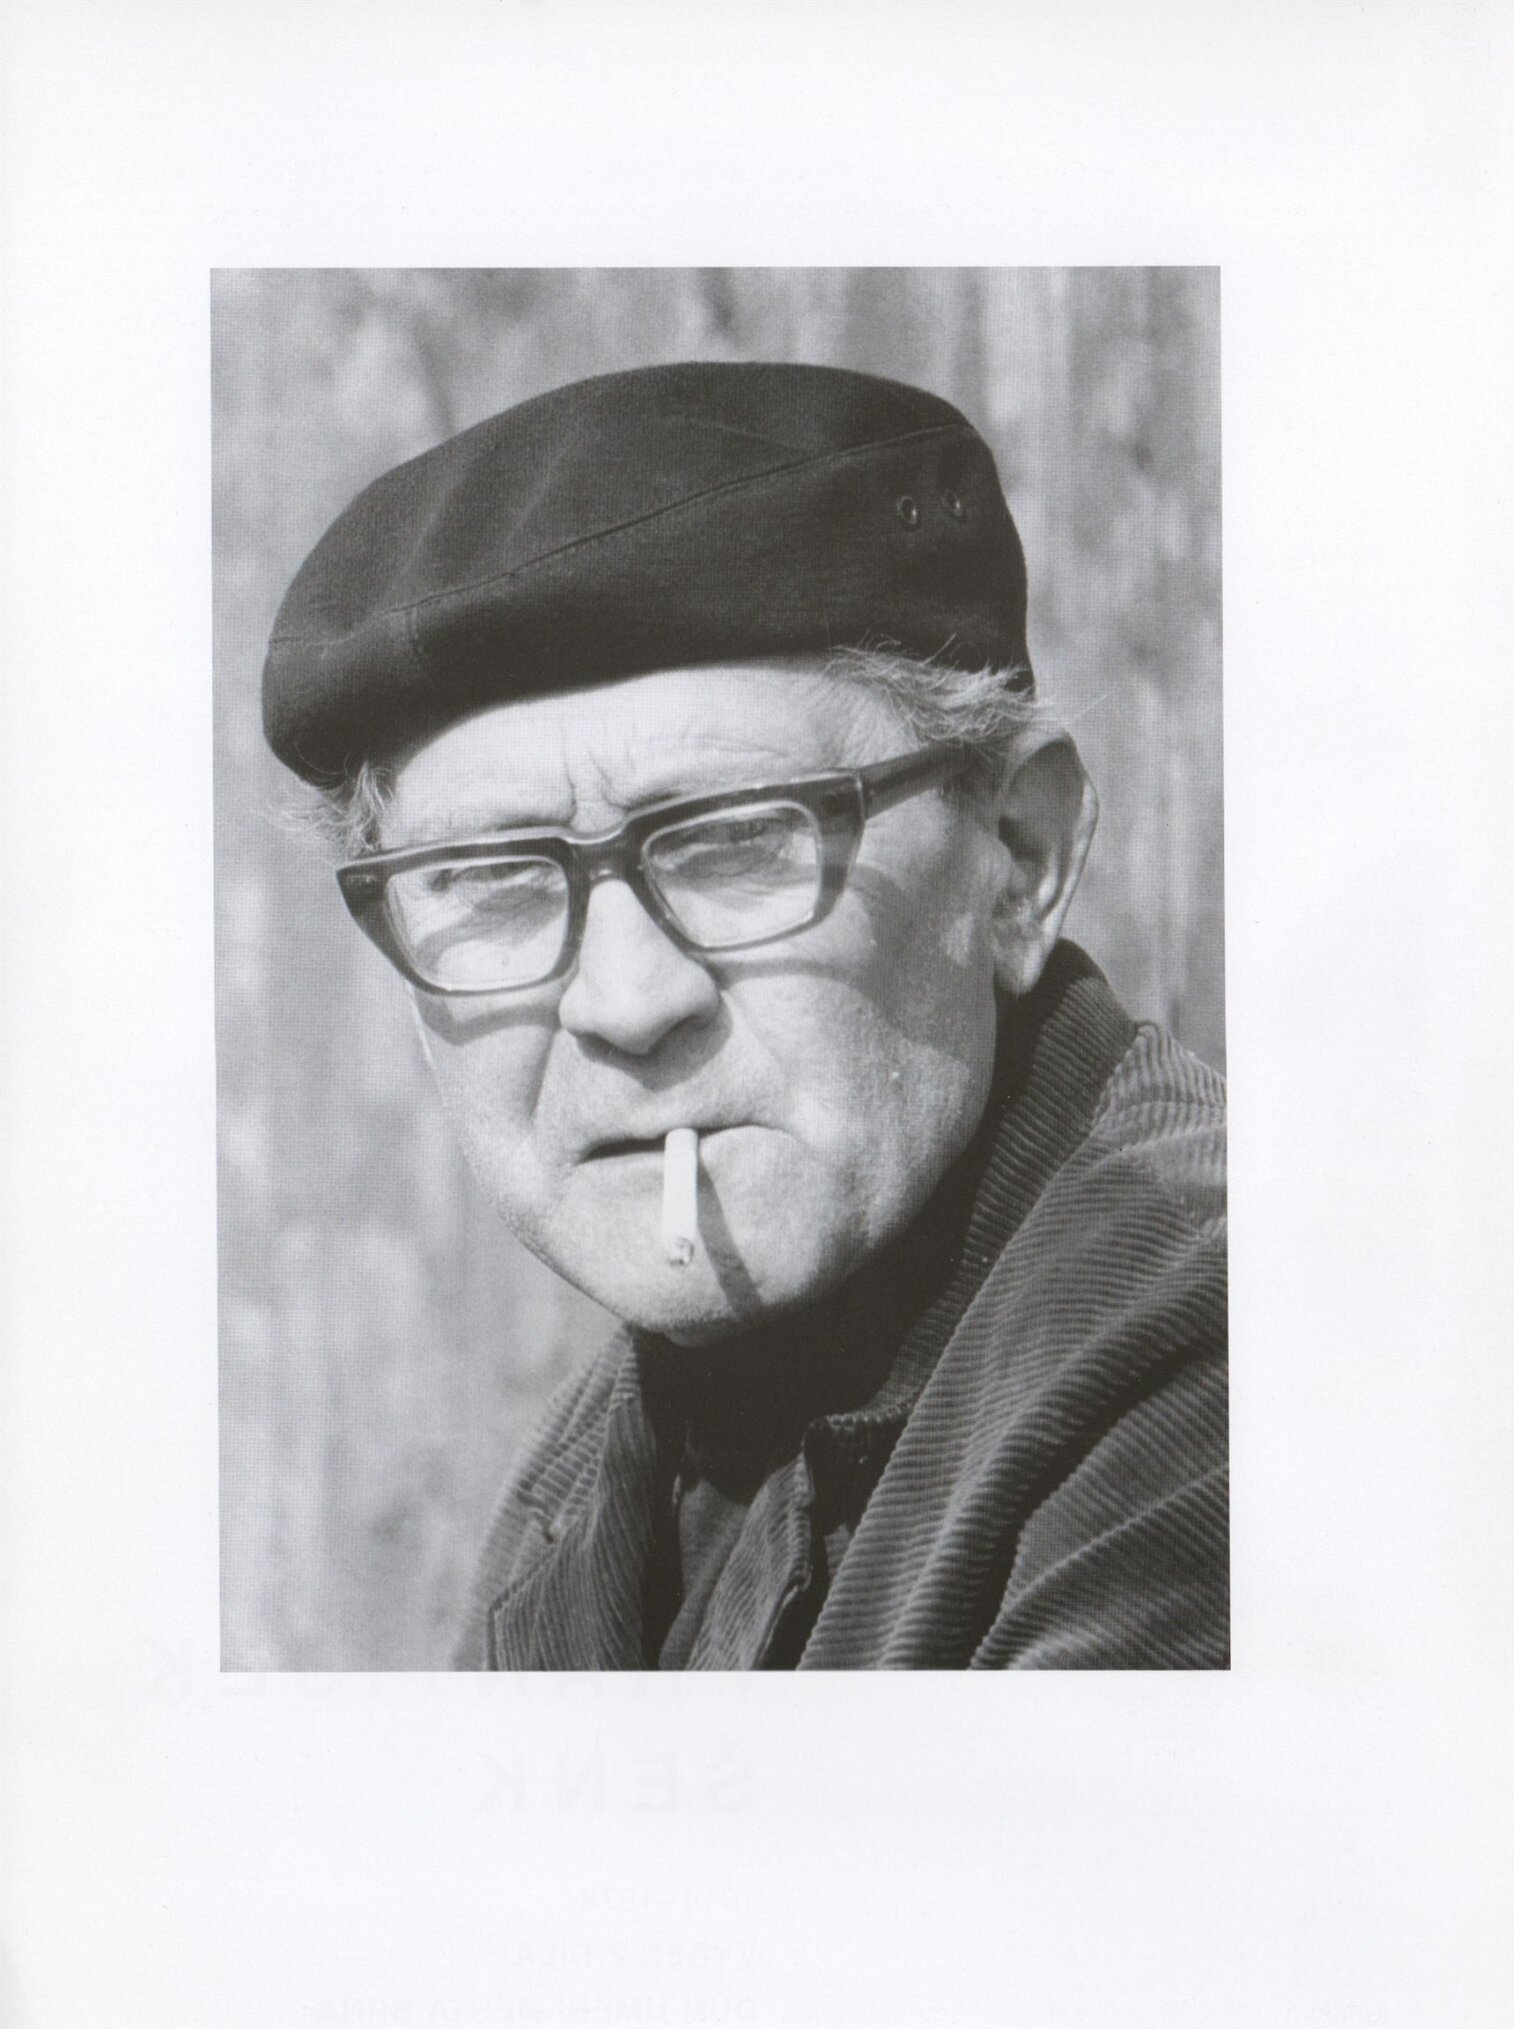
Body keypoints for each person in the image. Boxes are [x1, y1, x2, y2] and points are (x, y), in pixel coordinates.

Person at [262, 359, 1227, 1671]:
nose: (626, 1002)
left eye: (735, 844)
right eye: (491, 882)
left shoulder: (1218, 1368)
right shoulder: (624, 1458)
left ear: (1018, 856)